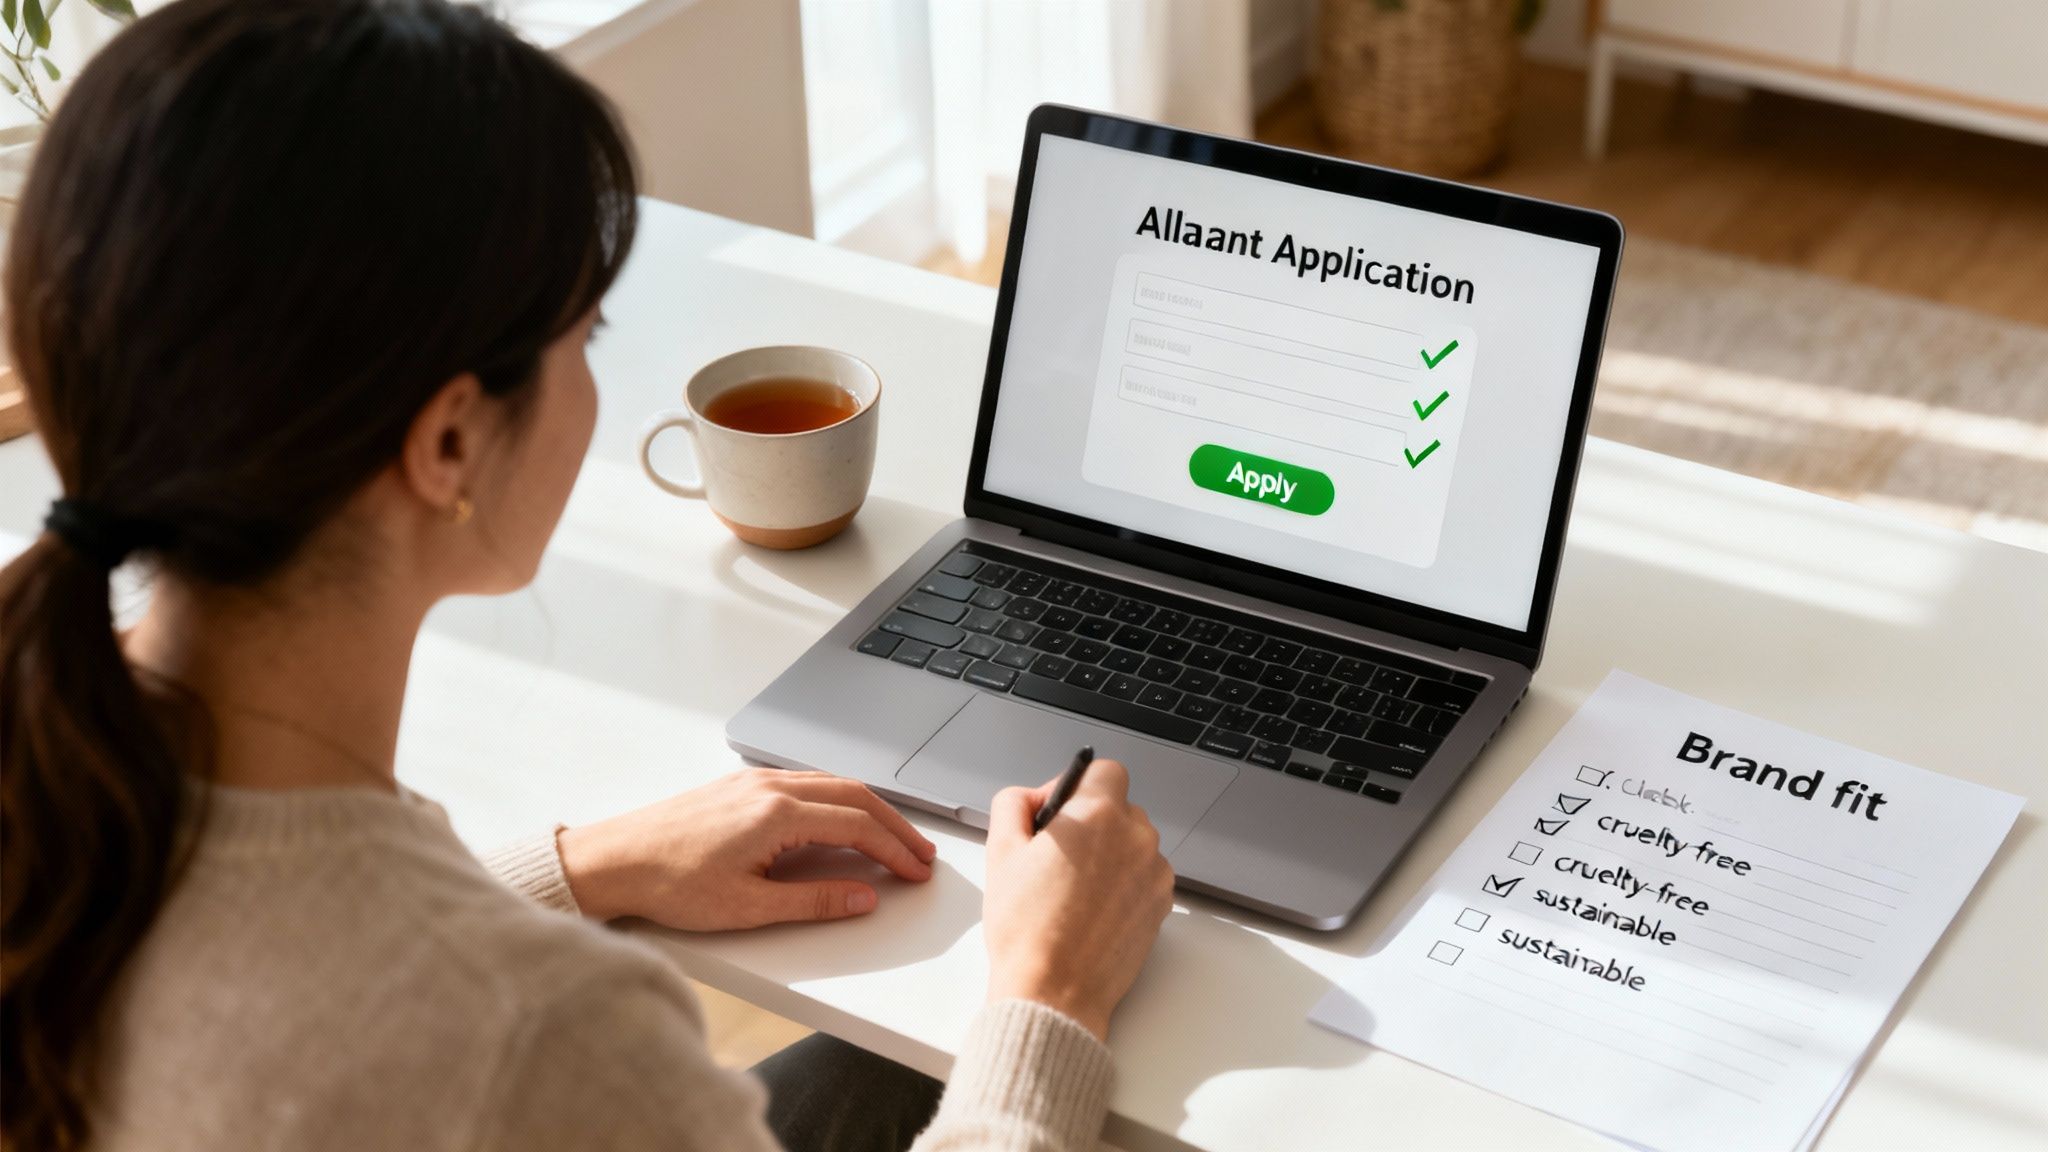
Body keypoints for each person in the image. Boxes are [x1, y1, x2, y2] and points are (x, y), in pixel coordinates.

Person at [0, 2, 1175, 1149]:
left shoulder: (52, 767)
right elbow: (420, 1022)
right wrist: (1047, 993)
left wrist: (578, 870)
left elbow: (301, 975)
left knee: (878, 1064)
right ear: (449, 443)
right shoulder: (545, 1038)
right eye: (586, 339)